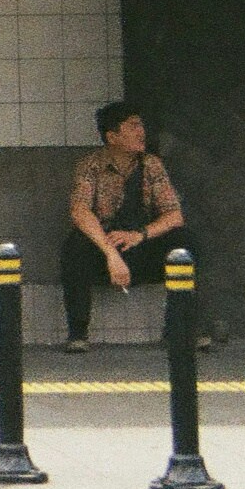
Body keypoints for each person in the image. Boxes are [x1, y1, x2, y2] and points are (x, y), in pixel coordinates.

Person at [61, 101, 199, 354]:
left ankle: (179, 328)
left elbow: (174, 215)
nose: (141, 132)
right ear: (112, 136)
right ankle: (78, 332)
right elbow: (79, 212)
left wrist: (140, 235)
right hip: (105, 249)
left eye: (141, 125)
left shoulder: (151, 165)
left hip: (140, 245)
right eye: (133, 126)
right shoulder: (90, 166)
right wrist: (111, 254)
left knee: (185, 242)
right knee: (74, 247)